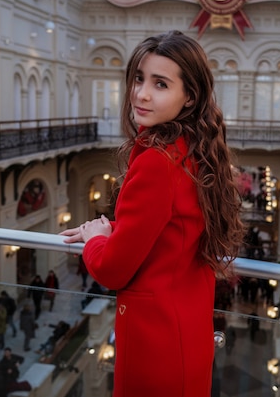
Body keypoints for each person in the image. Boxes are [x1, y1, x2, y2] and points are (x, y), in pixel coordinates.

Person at [60, 30, 245, 397]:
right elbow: (171, 229)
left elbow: (112, 270)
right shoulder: (195, 151)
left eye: (160, 84)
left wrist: (97, 238)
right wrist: (118, 227)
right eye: (139, 78)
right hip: (187, 336)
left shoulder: (157, 163)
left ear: (189, 96)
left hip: (154, 344)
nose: (141, 93)